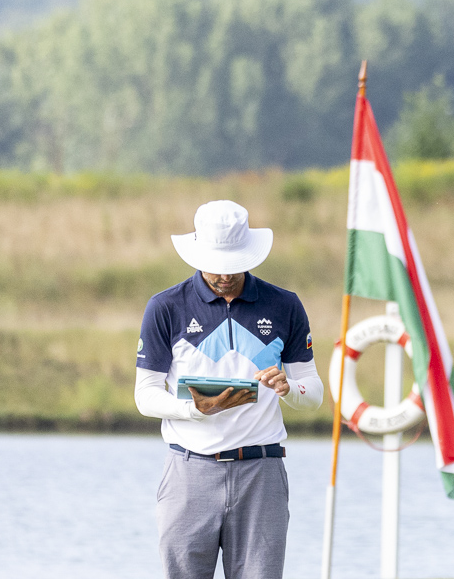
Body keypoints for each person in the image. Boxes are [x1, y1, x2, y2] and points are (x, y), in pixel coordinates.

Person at [135, 200, 324, 579]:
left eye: (234, 265)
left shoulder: (284, 305)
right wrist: (194, 410)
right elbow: (145, 395)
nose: (224, 276)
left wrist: (288, 389)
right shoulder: (166, 307)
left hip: (262, 473)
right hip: (189, 471)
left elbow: (314, 393)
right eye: (215, 266)